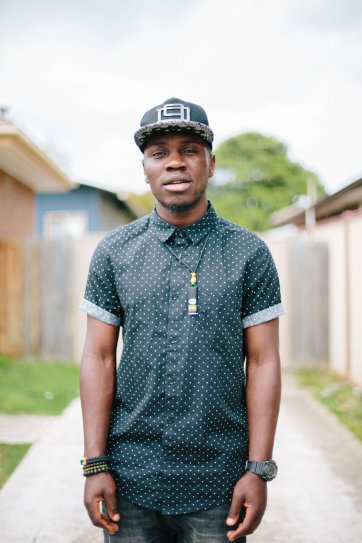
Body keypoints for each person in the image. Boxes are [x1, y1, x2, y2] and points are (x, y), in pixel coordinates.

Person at [80, 97, 284, 543]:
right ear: (145, 169)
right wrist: (95, 464)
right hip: (131, 478)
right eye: (160, 153)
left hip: (219, 482)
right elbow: (98, 357)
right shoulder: (115, 253)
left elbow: (264, 362)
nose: (175, 163)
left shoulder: (250, 254)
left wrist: (259, 469)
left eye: (189, 150)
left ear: (210, 164)